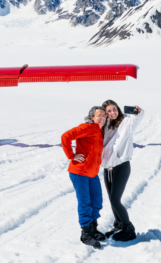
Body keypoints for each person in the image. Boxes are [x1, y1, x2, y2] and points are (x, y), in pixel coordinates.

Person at [61, 106, 108, 249]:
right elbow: (65, 136)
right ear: (92, 117)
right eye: (98, 115)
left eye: (104, 115)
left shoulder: (99, 130)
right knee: (85, 202)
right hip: (80, 172)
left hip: (92, 173)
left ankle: (93, 228)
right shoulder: (87, 127)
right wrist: (71, 155)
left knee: (97, 201)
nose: (102, 117)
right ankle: (86, 233)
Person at [100, 99, 144, 241]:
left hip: (121, 166)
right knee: (112, 200)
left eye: (114, 109)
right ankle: (118, 224)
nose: (113, 113)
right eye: (109, 111)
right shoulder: (105, 126)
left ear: (118, 109)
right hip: (108, 168)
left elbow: (137, 119)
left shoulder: (126, 122)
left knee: (115, 199)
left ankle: (129, 229)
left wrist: (138, 112)